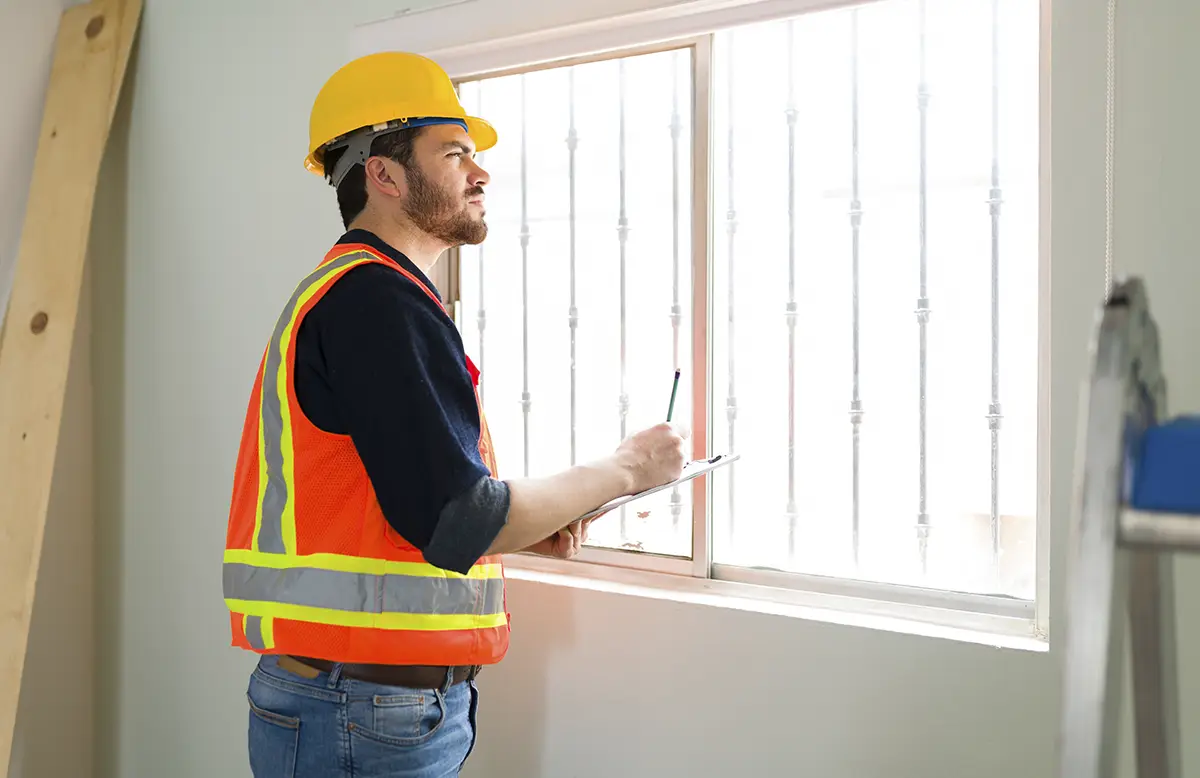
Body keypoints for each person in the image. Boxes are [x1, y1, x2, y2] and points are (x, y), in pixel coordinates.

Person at [220, 51, 688, 777]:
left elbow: (405, 506)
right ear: (384, 174)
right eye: (455, 152)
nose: (481, 173)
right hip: (360, 712)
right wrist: (626, 469)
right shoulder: (376, 302)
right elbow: (456, 518)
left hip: (356, 705)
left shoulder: (366, 296)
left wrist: (526, 531)